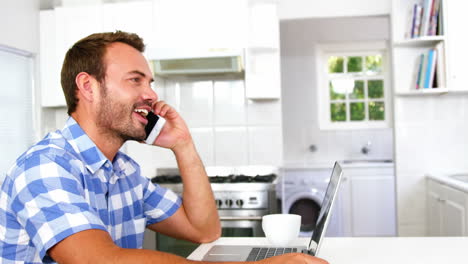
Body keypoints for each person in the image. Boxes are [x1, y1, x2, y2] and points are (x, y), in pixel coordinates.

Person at [0, 31, 328, 264]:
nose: (151, 94)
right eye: (135, 80)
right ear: (88, 86)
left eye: (150, 83)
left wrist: (183, 145)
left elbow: (204, 230)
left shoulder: (123, 171)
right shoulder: (45, 168)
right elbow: (98, 260)